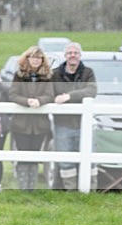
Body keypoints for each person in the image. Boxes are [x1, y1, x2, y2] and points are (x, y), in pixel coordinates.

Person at [51, 42, 97, 190]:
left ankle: (90, 190)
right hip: (63, 124)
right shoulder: (55, 74)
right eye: (70, 53)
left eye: (75, 53)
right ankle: (71, 191)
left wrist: (68, 96)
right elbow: (51, 94)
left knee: (91, 159)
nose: (72, 55)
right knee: (65, 161)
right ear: (65, 56)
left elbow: (91, 91)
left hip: (84, 123)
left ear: (80, 55)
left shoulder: (88, 72)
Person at [8, 46, 55, 191]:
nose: (35, 60)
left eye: (38, 57)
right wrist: (26, 101)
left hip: (40, 125)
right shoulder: (19, 75)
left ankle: (31, 188)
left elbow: (50, 95)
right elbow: (13, 94)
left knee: (35, 156)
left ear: (42, 60)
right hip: (21, 124)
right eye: (33, 57)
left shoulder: (47, 77)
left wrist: (39, 101)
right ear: (27, 58)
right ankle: (23, 187)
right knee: (23, 155)